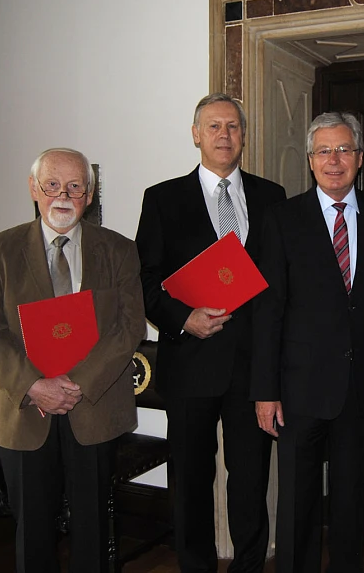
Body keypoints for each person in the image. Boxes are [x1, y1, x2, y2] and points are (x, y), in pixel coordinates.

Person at [0, 147, 145, 573]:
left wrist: (77, 384)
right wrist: (35, 385)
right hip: (26, 411)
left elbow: (128, 326)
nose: (61, 195)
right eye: (51, 185)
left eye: (74, 186)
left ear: (89, 192)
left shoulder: (118, 250)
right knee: (31, 531)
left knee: (93, 528)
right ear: (34, 188)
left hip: (95, 407)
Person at [251, 112, 364, 573]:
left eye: (343, 150)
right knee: (296, 503)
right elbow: (268, 309)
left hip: (361, 385)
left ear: (360, 158)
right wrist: (265, 389)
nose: (333, 160)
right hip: (297, 390)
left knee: (350, 501)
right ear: (309, 160)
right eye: (324, 151)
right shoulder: (281, 219)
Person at [135, 93, 286, 573]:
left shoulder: (272, 197)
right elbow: (145, 280)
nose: (225, 135)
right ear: (196, 134)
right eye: (214, 126)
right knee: (193, 481)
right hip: (189, 362)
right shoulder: (162, 198)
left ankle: (248, 566)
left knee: (250, 479)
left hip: (253, 367)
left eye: (234, 127)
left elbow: (280, 282)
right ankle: (195, 566)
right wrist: (183, 318)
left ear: (244, 136)